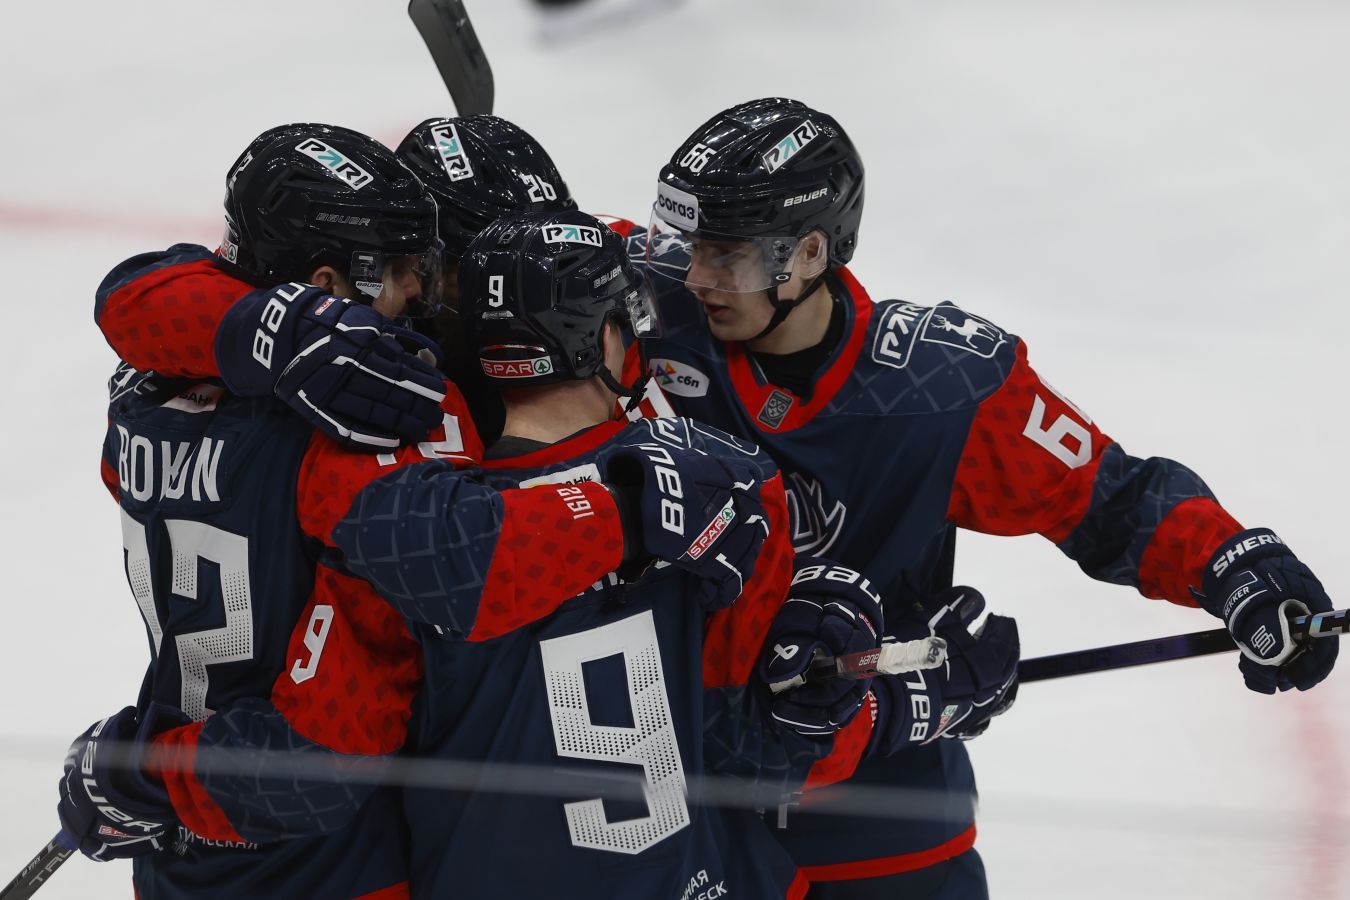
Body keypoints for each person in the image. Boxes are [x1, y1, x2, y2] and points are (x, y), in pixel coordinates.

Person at [620, 96, 1339, 898]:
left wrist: (1236, 567)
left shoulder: (938, 386)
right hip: (679, 813)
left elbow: (1111, 500)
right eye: (689, 247)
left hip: (884, 821)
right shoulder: (642, 311)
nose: (698, 276)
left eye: (728, 256)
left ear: (811, 251)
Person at [59, 122, 709, 898]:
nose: (426, 291)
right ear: (330, 284)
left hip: (191, 840)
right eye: (422, 269)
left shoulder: (145, 390)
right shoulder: (372, 419)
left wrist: (148, 777)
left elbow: (143, 293)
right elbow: (454, 574)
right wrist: (639, 507)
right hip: (342, 854)